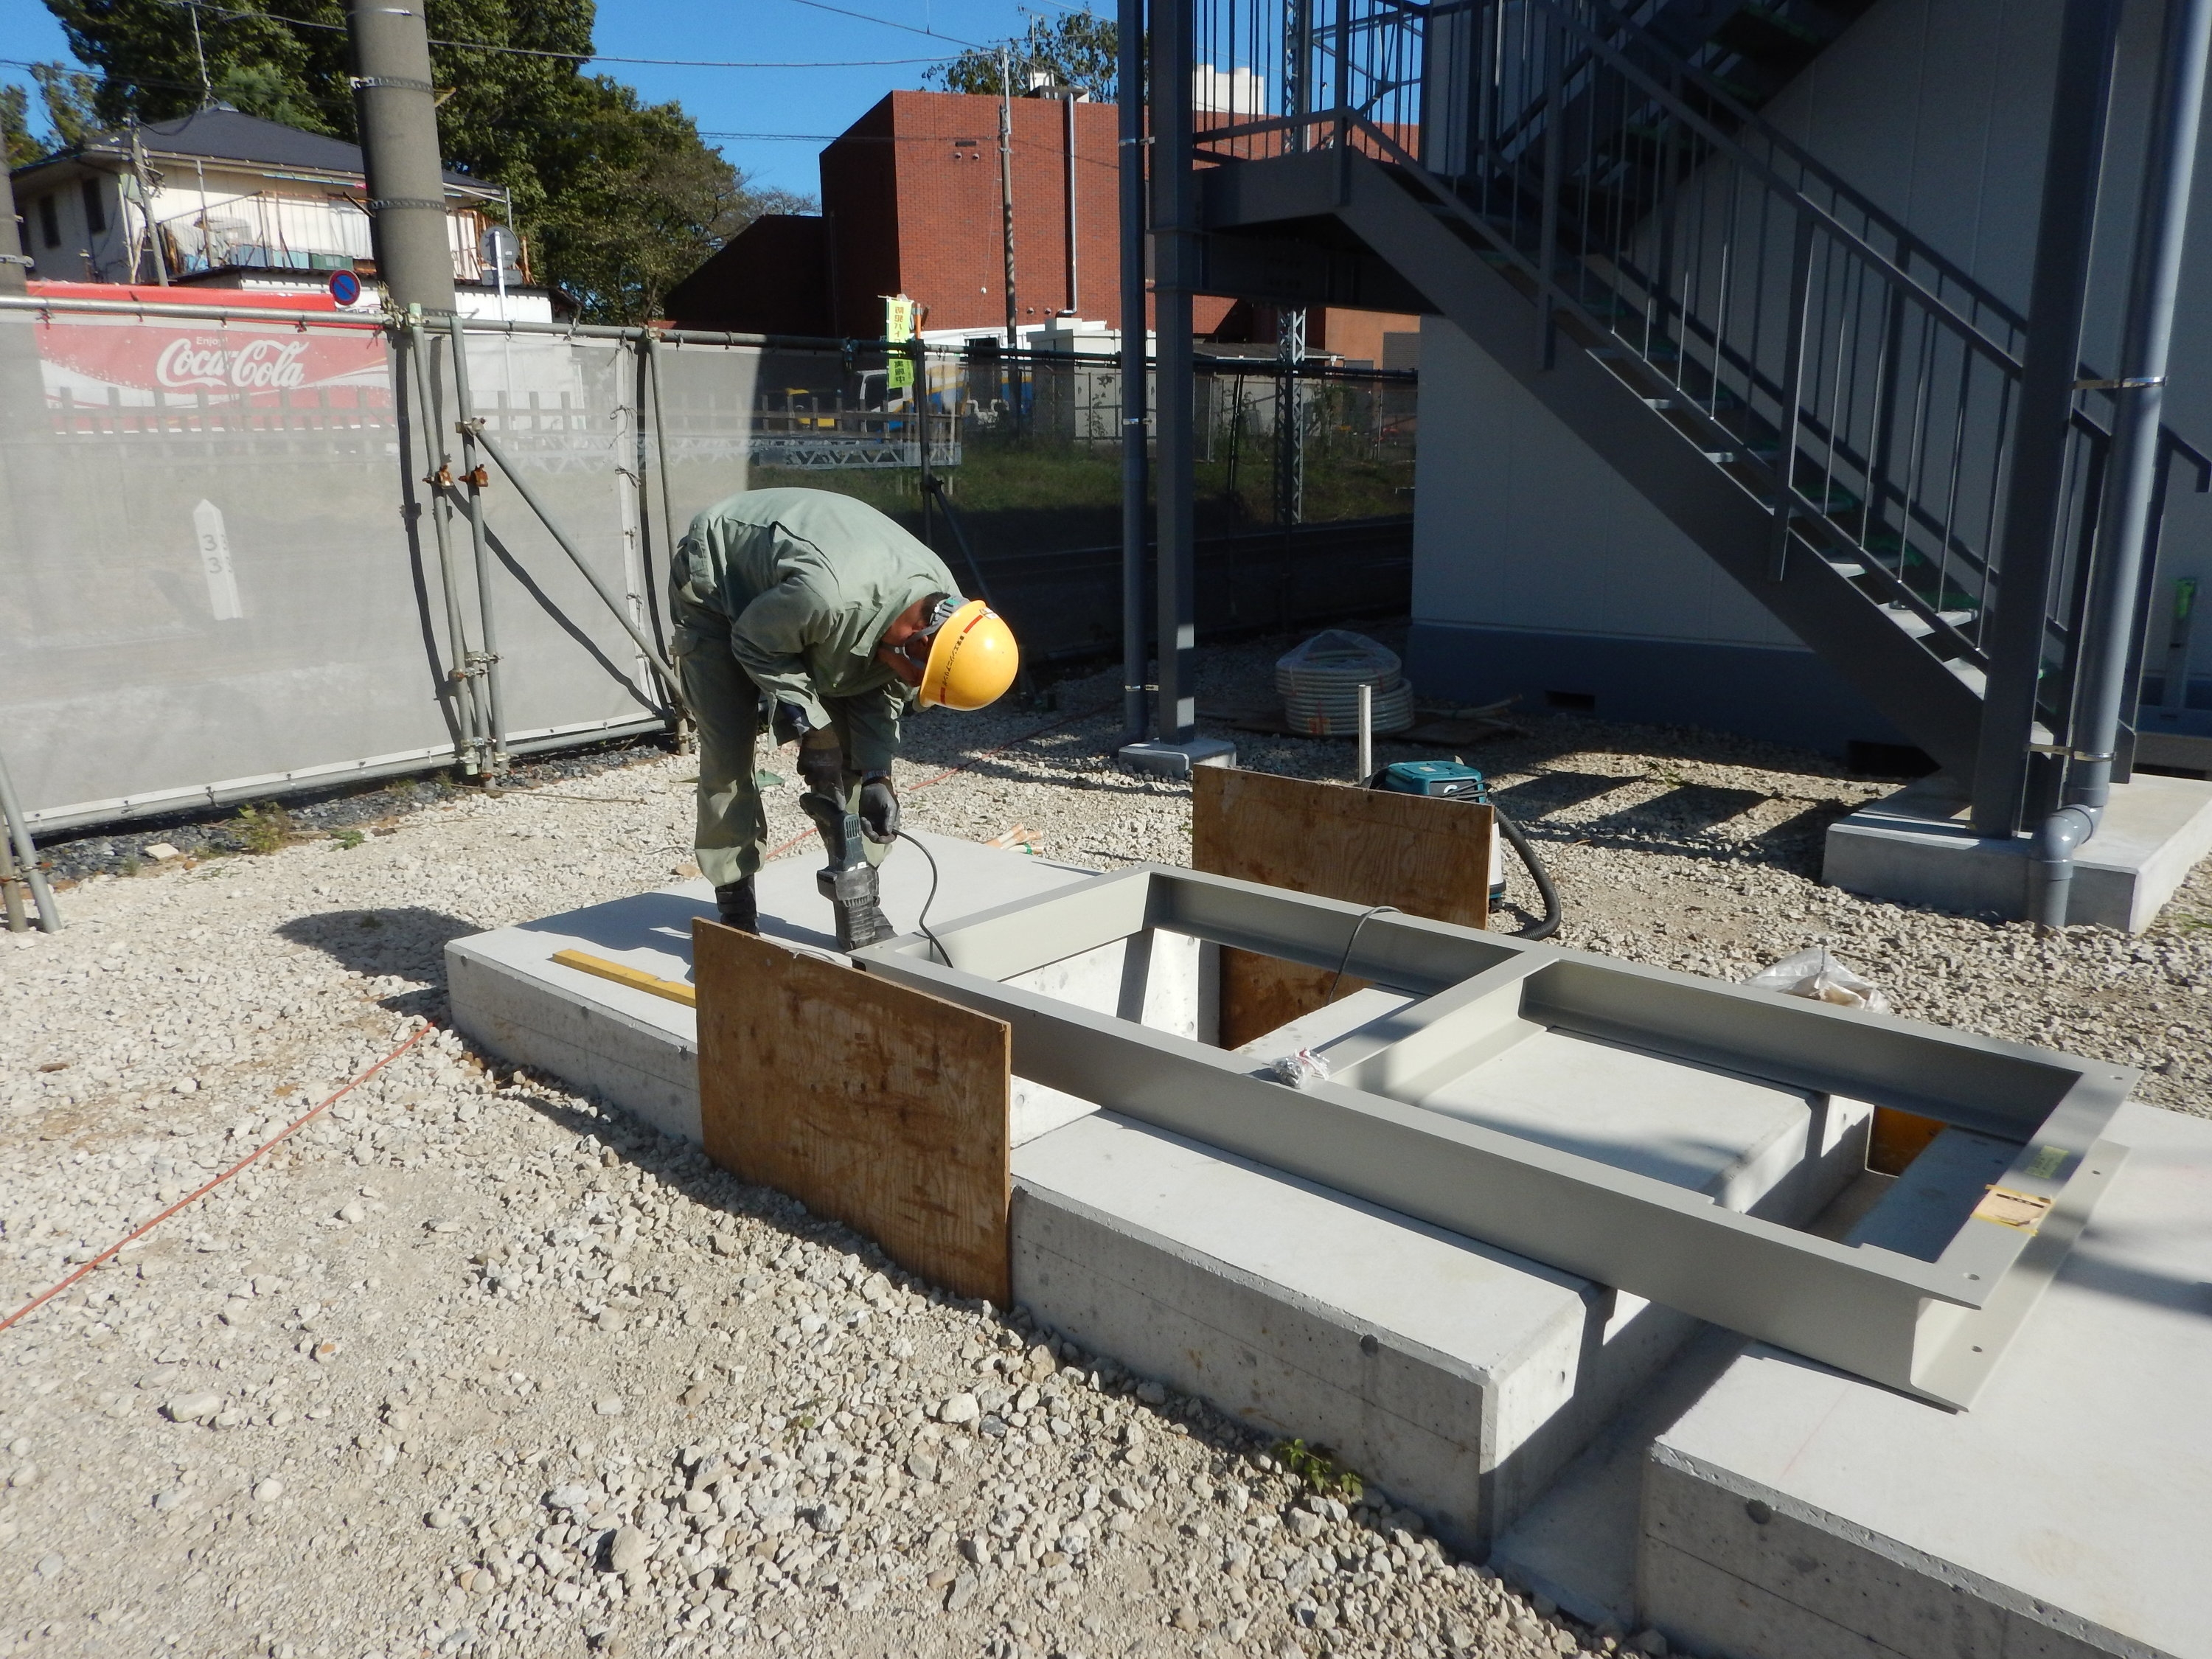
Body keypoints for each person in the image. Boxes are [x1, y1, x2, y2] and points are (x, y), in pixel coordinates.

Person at [669, 487, 1020, 933]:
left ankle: (860, 899)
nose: (916, 687)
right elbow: (754, 643)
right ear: (921, 639)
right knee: (729, 749)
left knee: (853, 754)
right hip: (720, 580)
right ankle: (734, 902)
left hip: (816, 597)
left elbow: (881, 689)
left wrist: (877, 774)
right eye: (922, 679)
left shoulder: (947, 609)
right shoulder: (826, 597)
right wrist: (814, 728)